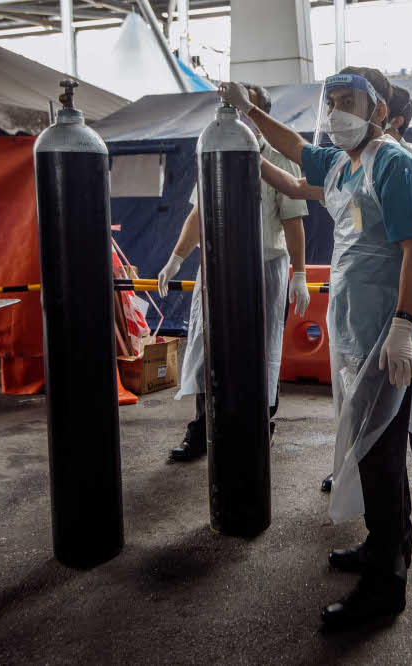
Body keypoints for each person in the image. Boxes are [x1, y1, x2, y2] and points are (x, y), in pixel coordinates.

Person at [218, 66, 412, 628]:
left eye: (349, 102)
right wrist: (248, 119)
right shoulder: (345, 164)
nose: (337, 112)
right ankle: (381, 545)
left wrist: (403, 327)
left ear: (379, 112)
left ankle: (385, 585)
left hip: (384, 334)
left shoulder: (397, 165)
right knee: (365, 447)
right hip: (353, 332)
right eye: (331, 101)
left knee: (384, 456)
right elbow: (293, 159)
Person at [156, 83, 311, 462]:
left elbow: (293, 221)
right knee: (207, 347)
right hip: (217, 266)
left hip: (263, 267)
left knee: (261, 348)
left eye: (245, 107)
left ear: (262, 117)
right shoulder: (213, 150)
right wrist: (177, 257)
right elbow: (199, 212)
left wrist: (300, 272)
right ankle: (202, 430)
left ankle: (259, 426)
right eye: (231, 105)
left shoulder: (277, 157)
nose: (235, 113)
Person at [325, 83, 412, 504]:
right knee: (364, 385)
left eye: (352, 107)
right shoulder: (354, 164)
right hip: (371, 293)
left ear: (388, 116)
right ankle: (360, 462)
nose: (341, 117)